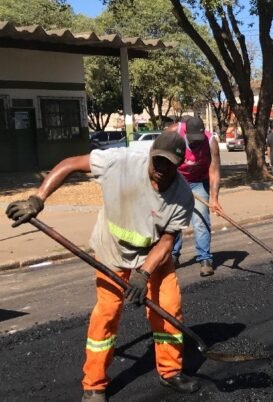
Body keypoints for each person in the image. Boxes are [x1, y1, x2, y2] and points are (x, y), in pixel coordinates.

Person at [5, 132, 198, 401]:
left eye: (169, 165)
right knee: (106, 314)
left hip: (153, 257)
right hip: (112, 252)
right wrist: (38, 198)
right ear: (150, 154)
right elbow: (70, 164)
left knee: (169, 308)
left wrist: (143, 274)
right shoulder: (120, 161)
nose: (161, 170)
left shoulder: (182, 195)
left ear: (178, 165)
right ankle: (94, 385)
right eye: (158, 162)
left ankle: (170, 371)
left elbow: (167, 241)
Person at [166, 116, 222, 277]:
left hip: (199, 182)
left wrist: (214, 198)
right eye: (192, 140)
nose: (195, 143)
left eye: (198, 139)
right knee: (173, 221)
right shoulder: (173, 133)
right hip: (175, 181)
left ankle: (205, 259)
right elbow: (158, 157)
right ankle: (173, 256)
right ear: (186, 132)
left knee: (200, 220)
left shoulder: (211, 141)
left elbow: (214, 170)